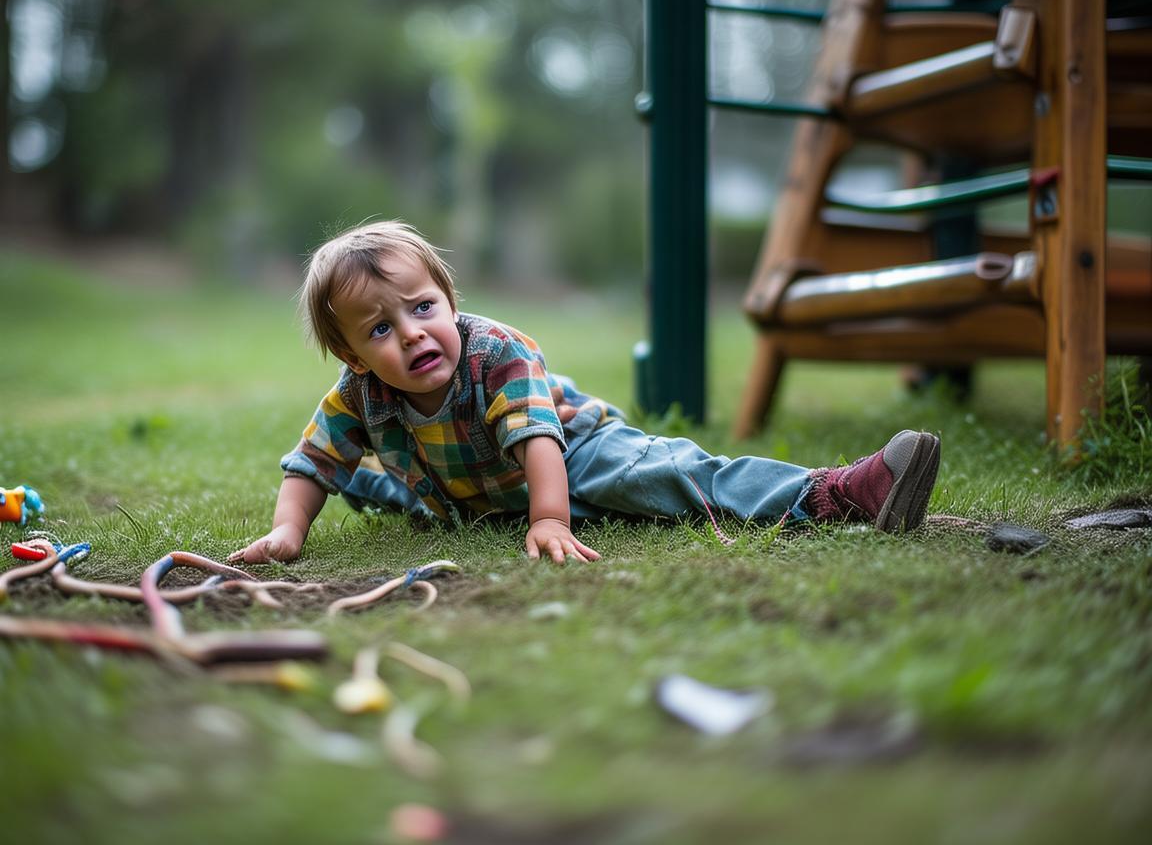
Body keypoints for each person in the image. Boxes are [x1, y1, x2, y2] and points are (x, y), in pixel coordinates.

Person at [230, 220, 940, 566]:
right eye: (380, 328)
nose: (412, 335)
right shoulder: (359, 395)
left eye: (422, 309)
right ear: (353, 353)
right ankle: (467, 502)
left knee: (663, 478)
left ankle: (837, 493)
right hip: (463, 489)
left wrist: (549, 519)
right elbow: (313, 461)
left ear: (449, 302)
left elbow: (537, 440)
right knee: (362, 476)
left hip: (571, 452)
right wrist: (290, 532)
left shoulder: (494, 352)